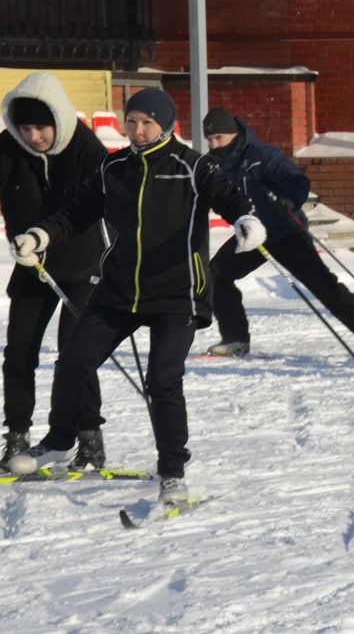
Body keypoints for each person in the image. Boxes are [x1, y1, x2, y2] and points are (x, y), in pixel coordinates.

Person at [5, 88, 262, 506]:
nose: (138, 131)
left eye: (147, 122)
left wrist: (246, 219)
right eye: (132, 122)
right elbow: (76, 212)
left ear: (166, 124)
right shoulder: (113, 166)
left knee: (162, 380)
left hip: (176, 294)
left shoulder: (193, 166)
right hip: (119, 291)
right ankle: (58, 442)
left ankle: (173, 472)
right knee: (73, 360)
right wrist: (41, 235)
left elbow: (228, 197)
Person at [202, 109, 354, 362]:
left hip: (285, 232)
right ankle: (235, 339)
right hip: (252, 235)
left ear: (234, 134)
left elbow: (296, 180)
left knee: (325, 287)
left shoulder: (261, 156)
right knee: (217, 273)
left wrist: (290, 200)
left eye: (219, 137)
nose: (214, 144)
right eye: (210, 139)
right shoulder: (213, 166)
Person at [0, 74, 106, 472]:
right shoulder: (9, 147)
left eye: (41, 127)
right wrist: (22, 240)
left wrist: (45, 235)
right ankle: (16, 436)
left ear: (57, 121)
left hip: (80, 266)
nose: (34, 136)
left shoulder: (84, 147)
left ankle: (89, 438)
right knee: (19, 352)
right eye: (25, 128)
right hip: (31, 265)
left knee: (75, 354)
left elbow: (94, 202)